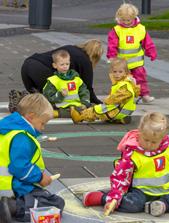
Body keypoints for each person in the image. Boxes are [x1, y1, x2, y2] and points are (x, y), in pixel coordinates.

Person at [82, 112, 169, 217]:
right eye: (146, 140)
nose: (149, 144)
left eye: (154, 142)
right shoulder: (133, 154)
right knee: (133, 204)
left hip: (168, 191)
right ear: (139, 132)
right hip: (141, 192)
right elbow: (120, 178)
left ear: (162, 138)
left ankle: (163, 205)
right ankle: (101, 198)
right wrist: (114, 198)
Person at [0, 93, 65, 222]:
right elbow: (19, 167)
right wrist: (40, 177)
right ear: (31, 117)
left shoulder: (8, 128)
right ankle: (13, 206)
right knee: (55, 204)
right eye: (42, 123)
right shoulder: (22, 137)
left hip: (9, 184)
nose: (43, 128)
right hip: (13, 186)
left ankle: (11, 204)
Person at [21, 39, 103, 104]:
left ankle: (23, 100)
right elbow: (87, 88)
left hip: (27, 65)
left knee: (39, 97)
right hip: (40, 70)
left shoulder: (70, 48)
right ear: (96, 56)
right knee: (59, 99)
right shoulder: (86, 61)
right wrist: (98, 103)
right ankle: (26, 100)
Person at [107, 3, 157, 103]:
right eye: (123, 20)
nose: (126, 22)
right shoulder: (117, 30)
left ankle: (144, 95)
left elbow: (148, 42)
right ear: (119, 18)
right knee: (121, 80)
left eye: (128, 20)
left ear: (134, 17)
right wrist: (112, 56)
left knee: (140, 78)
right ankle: (123, 96)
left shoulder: (140, 29)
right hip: (122, 64)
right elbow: (112, 44)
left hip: (137, 62)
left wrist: (151, 52)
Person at [71, 58, 140, 124]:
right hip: (122, 109)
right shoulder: (126, 82)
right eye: (114, 72)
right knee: (105, 111)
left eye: (120, 72)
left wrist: (107, 100)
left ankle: (80, 117)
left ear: (126, 72)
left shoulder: (124, 85)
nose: (117, 74)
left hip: (119, 110)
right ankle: (118, 119)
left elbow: (116, 98)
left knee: (98, 110)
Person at [43, 49, 91, 118]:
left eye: (67, 64)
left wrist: (85, 103)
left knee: (91, 108)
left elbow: (84, 92)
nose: (65, 66)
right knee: (60, 113)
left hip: (77, 106)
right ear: (54, 65)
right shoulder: (53, 80)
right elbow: (48, 97)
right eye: (62, 64)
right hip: (61, 108)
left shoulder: (76, 79)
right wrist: (60, 94)